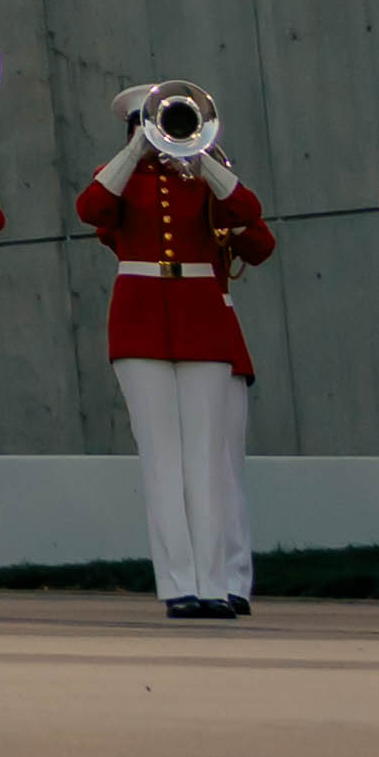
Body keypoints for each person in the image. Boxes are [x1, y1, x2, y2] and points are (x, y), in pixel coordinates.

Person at [75, 87, 274, 621]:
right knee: (163, 463)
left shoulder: (203, 179)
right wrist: (135, 151)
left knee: (207, 462)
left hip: (202, 319)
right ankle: (179, 584)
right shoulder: (122, 177)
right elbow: (90, 208)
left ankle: (215, 583)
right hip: (140, 321)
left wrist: (204, 156)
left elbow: (250, 214)